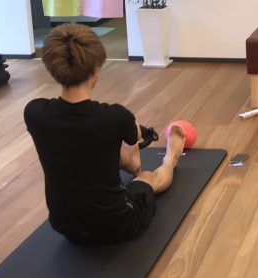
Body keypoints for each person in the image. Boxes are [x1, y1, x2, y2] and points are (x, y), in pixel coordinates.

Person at [24, 23, 186, 244]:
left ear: (53, 71)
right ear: (96, 71)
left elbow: (74, 132)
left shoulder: (34, 113)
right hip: (117, 225)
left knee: (94, 141)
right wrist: (132, 128)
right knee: (147, 177)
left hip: (64, 225)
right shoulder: (115, 117)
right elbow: (134, 161)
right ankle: (171, 157)